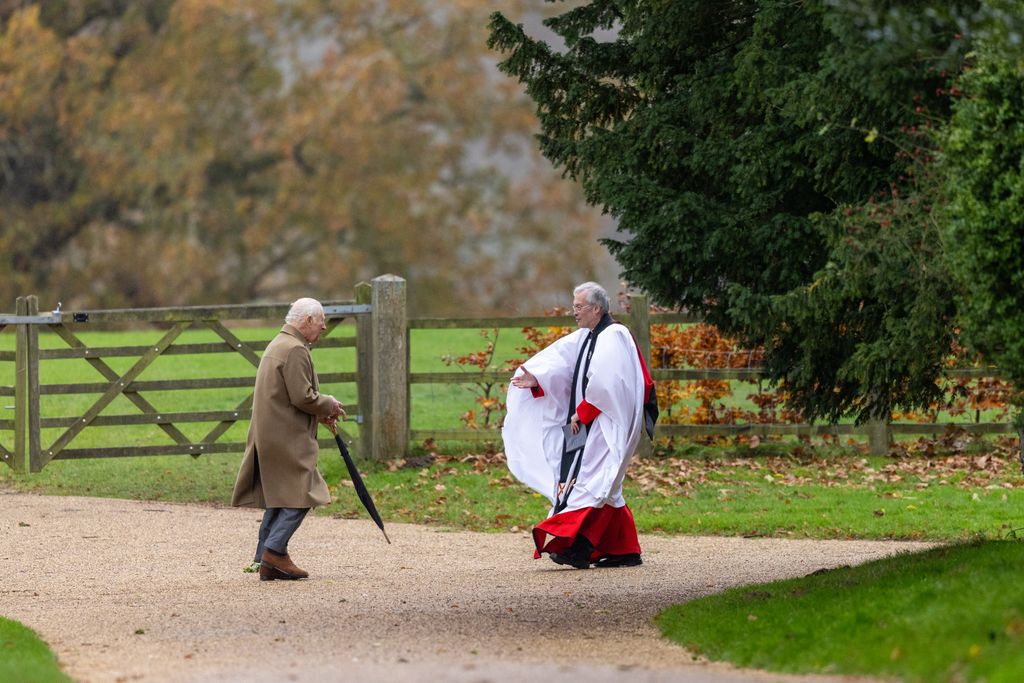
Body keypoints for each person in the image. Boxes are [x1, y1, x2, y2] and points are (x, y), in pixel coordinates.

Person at [503, 282, 655, 569]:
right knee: (605, 484)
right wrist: (538, 379)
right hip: (591, 423)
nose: (574, 312)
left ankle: (576, 546)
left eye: (579, 307)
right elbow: (563, 363)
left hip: (607, 424)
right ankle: (625, 550)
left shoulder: (613, 336)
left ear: (596, 309)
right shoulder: (588, 336)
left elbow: (608, 383)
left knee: (590, 482)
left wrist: (582, 414)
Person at [232, 297, 345, 581]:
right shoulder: (295, 349)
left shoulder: (278, 344)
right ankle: (274, 551)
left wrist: (318, 412)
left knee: (280, 497)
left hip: (271, 432)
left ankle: (265, 561)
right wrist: (328, 404)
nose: (323, 328)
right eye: (321, 323)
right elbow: (302, 396)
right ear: (307, 321)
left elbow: (288, 395)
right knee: (303, 493)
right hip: (286, 436)